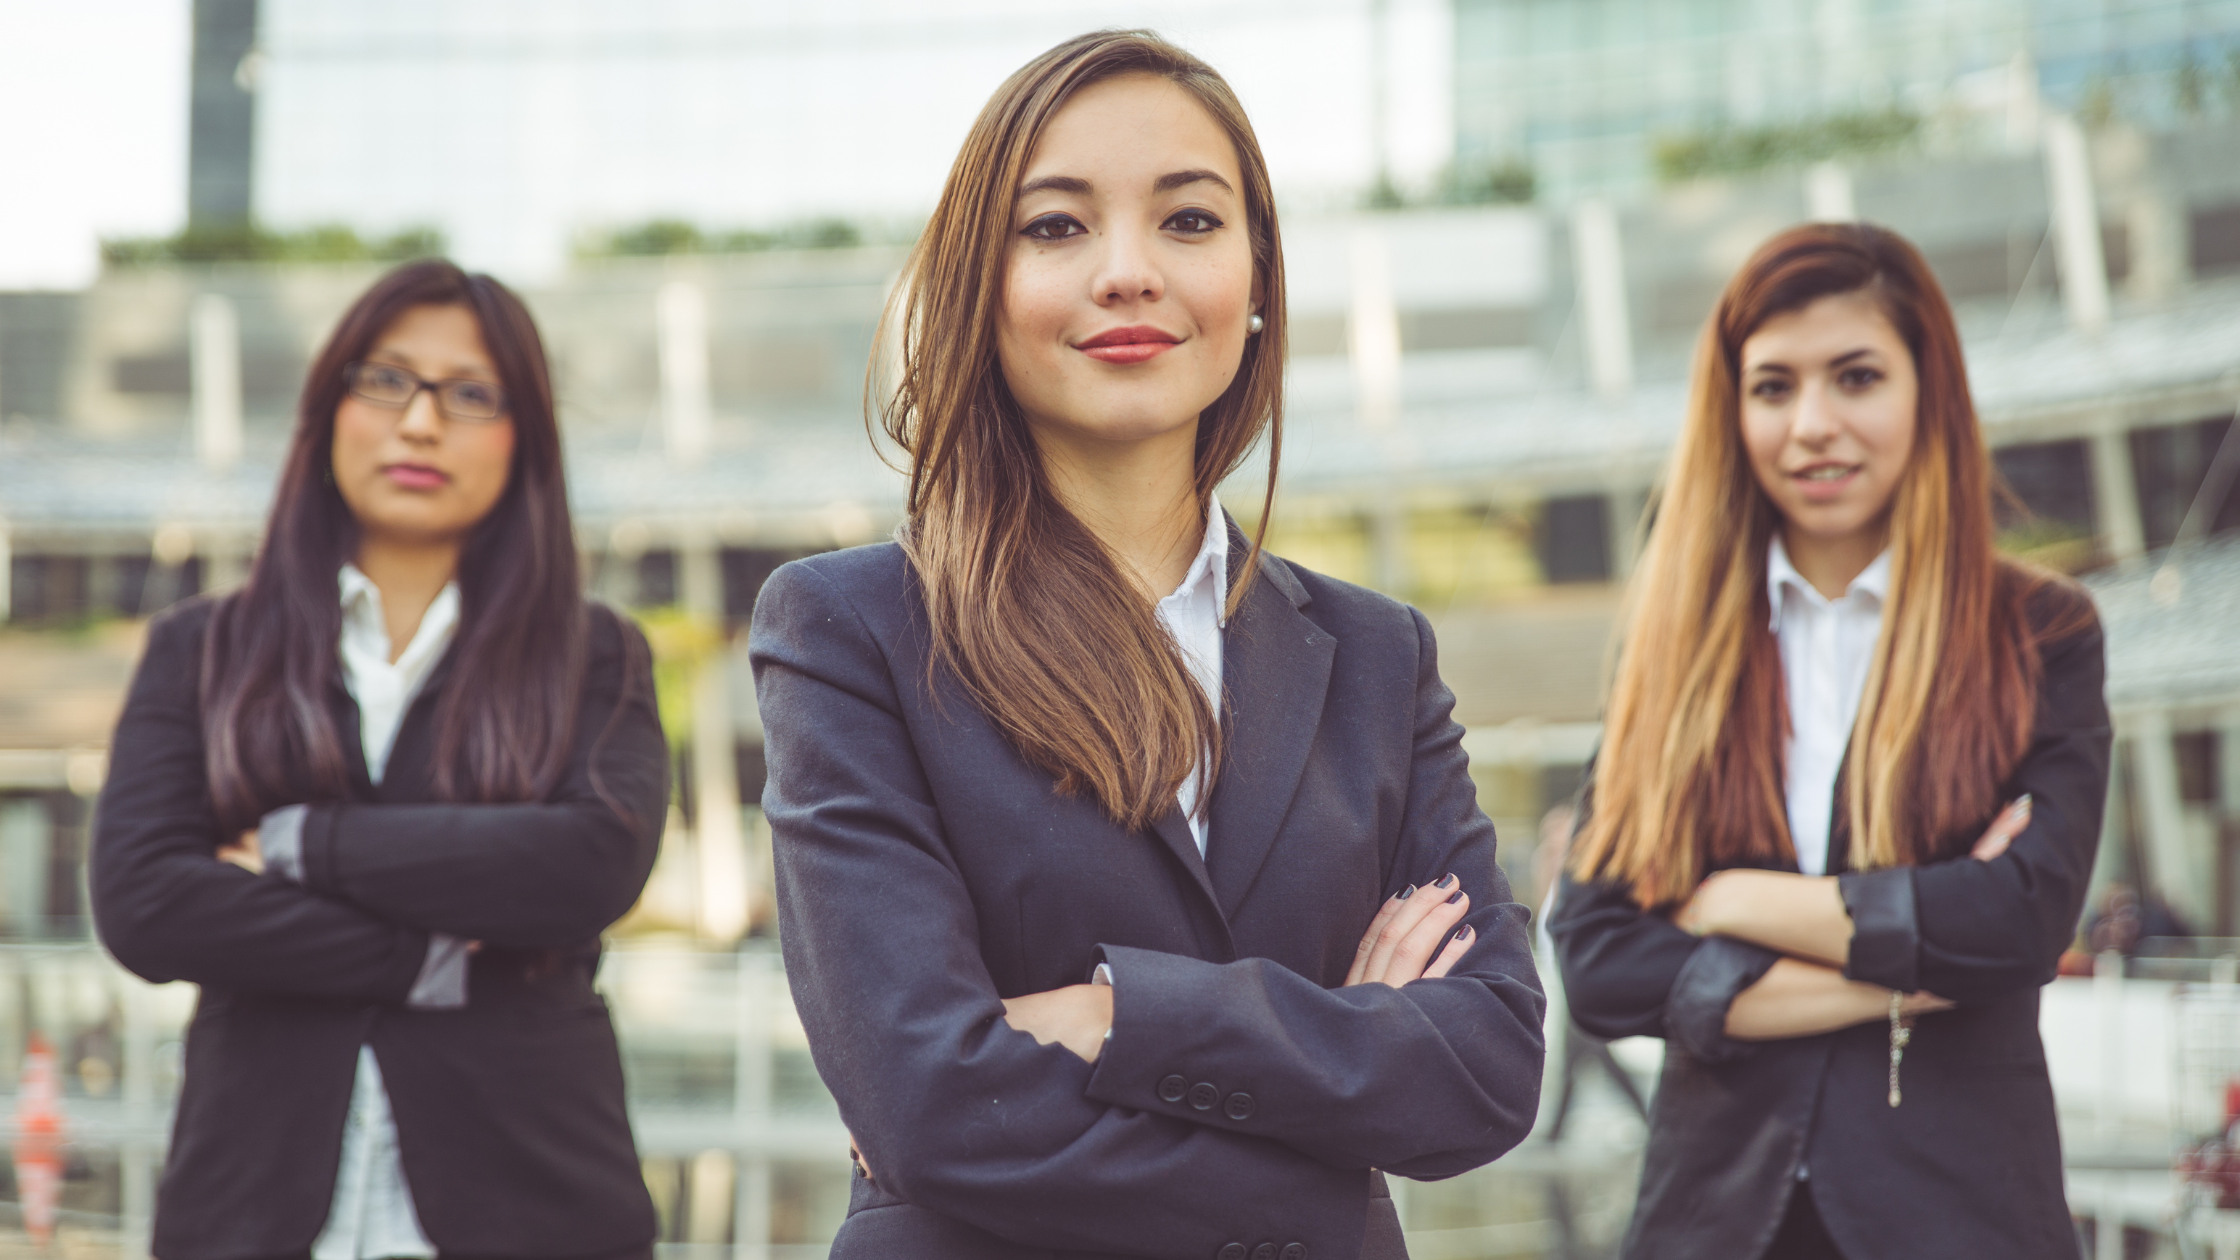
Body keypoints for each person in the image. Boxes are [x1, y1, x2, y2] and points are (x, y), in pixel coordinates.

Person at [750, 30, 1544, 1260]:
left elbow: (1484, 1070)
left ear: (1257, 279)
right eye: (1056, 227)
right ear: (981, 284)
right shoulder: (848, 631)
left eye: (1188, 221)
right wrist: (1337, 1065)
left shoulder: (1377, 655)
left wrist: (1112, 1015)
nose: (1126, 272)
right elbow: (929, 1108)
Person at [1549, 223, 2110, 1260]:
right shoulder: (1671, 647)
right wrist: (1910, 966)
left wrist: (1729, 901)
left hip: (1957, 1219)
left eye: (1854, 377)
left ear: (1923, 389)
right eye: (1771, 387)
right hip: (1711, 1225)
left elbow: (2019, 921)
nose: (1811, 424)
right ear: (1732, 410)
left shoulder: (2038, 632)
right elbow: (1597, 958)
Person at [91, 260, 668, 1260]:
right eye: (386, 380)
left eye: (471, 394)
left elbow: (588, 863)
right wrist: (427, 954)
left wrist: (300, 843)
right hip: (250, 1210)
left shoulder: (593, 651)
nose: (419, 423)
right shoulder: (202, 647)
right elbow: (146, 901)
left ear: (521, 436)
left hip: (534, 1208)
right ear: (328, 411)